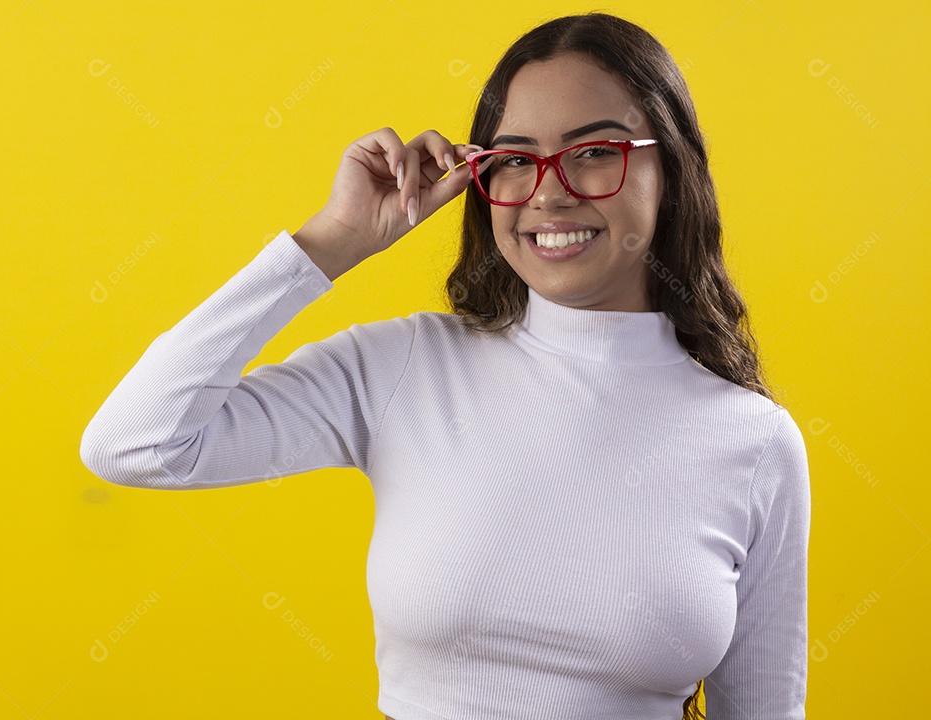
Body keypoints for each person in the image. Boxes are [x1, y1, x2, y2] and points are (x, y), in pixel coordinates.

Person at [80, 11, 810, 720]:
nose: (549, 193)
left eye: (595, 151)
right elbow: (136, 442)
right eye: (515, 160)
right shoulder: (404, 366)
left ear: (672, 168)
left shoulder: (753, 441)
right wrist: (331, 242)